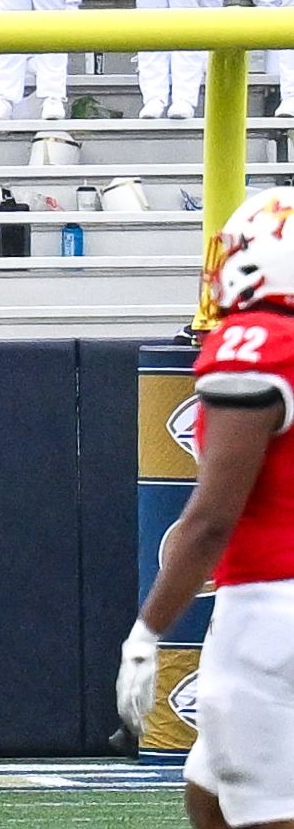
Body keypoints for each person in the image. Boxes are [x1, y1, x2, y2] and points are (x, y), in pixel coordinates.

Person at [128, 186, 294, 805]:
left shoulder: (257, 344)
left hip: (270, 601)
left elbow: (211, 520)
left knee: (260, 809)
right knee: (211, 792)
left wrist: (148, 631)